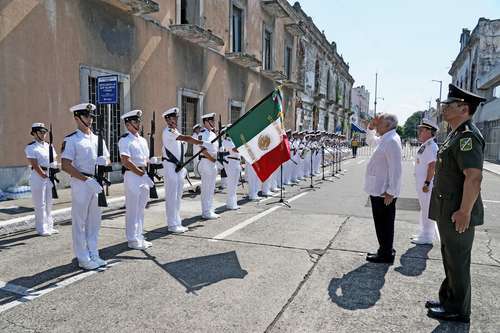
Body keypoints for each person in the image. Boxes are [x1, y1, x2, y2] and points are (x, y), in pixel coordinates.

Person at [426, 84, 486, 323]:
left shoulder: (467, 136)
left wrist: (464, 211)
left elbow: (474, 177)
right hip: (447, 209)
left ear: (463, 108)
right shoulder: (456, 133)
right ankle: (449, 299)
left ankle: (458, 310)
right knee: (450, 256)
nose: (444, 109)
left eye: (448, 105)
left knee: (457, 259)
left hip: (456, 211)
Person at [61, 103, 110, 270]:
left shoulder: (98, 139)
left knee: (94, 222)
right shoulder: (72, 139)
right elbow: (65, 165)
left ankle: (93, 252)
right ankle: (82, 257)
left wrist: (105, 162)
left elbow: (107, 159)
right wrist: (85, 179)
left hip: (96, 182)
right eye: (86, 116)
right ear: (77, 118)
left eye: (91, 117)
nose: (90, 120)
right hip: (81, 183)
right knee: (80, 222)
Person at [364, 113, 402, 264]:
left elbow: (396, 169)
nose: (377, 124)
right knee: (383, 222)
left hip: (383, 191)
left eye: (379, 123)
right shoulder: (386, 138)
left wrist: (391, 191)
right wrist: (371, 128)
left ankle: (385, 254)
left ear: (387, 125)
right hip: (379, 189)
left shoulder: (391, 141)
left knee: (383, 223)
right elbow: (370, 141)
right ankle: (385, 249)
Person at [162, 107, 205, 231]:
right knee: (171, 196)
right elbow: (185, 138)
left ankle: (177, 221)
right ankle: (172, 224)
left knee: (178, 196)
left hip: (179, 167)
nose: (175, 120)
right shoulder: (169, 131)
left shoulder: (175, 131)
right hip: (170, 167)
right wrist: (200, 143)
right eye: (173, 117)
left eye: (176, 117)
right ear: (168, 119)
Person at [118, 110, 155, 250]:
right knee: (132, 209)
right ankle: (132, 239)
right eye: (135, 122)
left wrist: (151, 162)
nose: (138, 124)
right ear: (128, 125)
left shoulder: (142, 140)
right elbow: (126, 161)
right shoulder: (125, 140)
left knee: (141, 209)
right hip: (133, 175)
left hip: (142, 174)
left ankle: (139, 235)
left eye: (138, 121)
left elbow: (144, 159)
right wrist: (141, 174)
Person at [25, 123, 58, 236]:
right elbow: (34, 164)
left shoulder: (49, 146)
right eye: (40, 132)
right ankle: (41, 228)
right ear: (34, 133)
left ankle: (50, 226)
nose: (43, 134)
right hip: (38, 176)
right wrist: (43, 174)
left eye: (44, 132)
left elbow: (54, 159)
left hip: (49, 175)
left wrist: (54, 167)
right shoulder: (31, 147)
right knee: (40, 204)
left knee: (49, 202)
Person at [412, 118, 439, 245]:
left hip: (426, 184)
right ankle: (423, 232)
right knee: (424, 208)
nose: (419, 132)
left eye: (422, 130)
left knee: (427, 209)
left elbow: (432, 166)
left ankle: (428, 236)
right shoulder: (426, 145)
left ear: (429, 131)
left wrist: (427, 183)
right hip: (422, 183)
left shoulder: (431, 146)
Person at [198, 113, 220, 219]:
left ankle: (210, 209)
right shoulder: (203, 133)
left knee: (211, 187)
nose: (213, 122)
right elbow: (202, 149)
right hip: (206, 162)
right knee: (206, 187)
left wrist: (214, 160)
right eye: (211, 120)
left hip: (213, 162)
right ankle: (205, 211)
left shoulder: (213, 134)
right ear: (206, 121)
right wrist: (211, 159)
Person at [221, 125, 241, 210]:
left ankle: (233, 202)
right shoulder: (226, 141)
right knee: (231, 184)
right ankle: (230, 204)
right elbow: (235, 149)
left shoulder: (233, 140)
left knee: (235, 184)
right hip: (231, 162)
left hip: (236, 162)